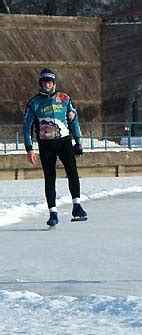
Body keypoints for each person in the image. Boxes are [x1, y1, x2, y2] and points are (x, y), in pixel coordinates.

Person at [23, 68, 88, 228]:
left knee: (72, 172)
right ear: (41, 83)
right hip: (46, 145)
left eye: (50, 82)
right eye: (45, 82)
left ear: (54, 82)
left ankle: (77, 206)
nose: (48, 85)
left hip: (64, 141)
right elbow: (26, 127)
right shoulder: (34, 103)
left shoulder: (64, 98)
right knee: (50, 177)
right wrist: (29, 148)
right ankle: (53, 213)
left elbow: (74, 119)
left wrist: (78, 141)